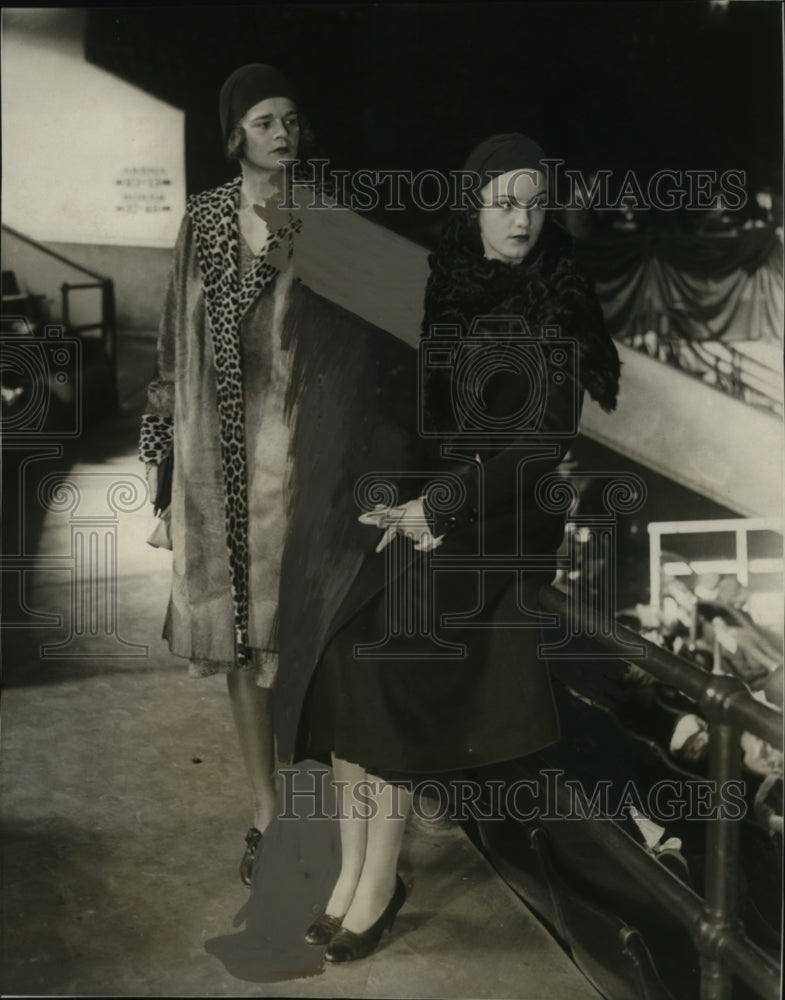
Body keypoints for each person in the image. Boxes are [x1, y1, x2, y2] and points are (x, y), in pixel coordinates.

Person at [289, 133, 622, 962]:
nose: (520, 217)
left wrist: (441, 502)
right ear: (473, 207)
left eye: (534, 201)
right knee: (338, 651)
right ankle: (354, 867)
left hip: (509, 523)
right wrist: (389, 495)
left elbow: (540, 446)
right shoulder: (452, 284)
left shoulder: (560, 296)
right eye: (503, 200)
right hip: (445, 504)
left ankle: (377, 884)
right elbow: (421, 415)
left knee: (387, 662)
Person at [140, 63, 421, 890]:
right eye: (264, 120)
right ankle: (267, 812)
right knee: (237, 649)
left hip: (306, 467)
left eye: (291, 118)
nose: (283, 132)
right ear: (235, 136)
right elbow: (167, 347)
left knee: (313, 649)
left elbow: (390, 336)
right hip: (216, 472)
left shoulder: (326, 218)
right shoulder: (202, 220)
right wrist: (160, 471)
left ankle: (334, 829)